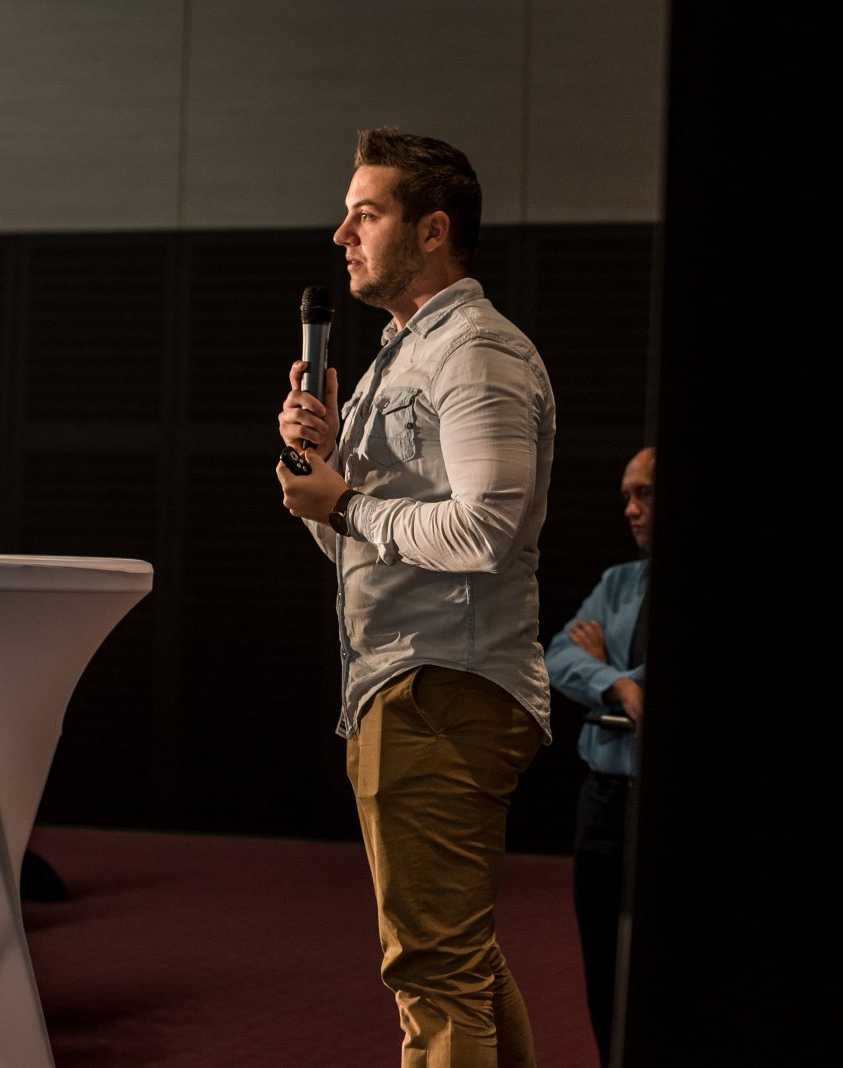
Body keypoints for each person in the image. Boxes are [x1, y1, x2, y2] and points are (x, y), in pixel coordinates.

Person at [277, 127, 556, 1067]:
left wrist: (347, 501)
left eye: (366, 214)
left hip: (445, 687)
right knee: (457, 961)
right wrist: (321, 476)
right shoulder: (403, 356)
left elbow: (486, 533)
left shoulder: (475, 352)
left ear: (432, 230)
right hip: (406, 685)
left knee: (435, 974)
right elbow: (353, 545)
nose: (341, 235)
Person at [542, 445, 655, 1067]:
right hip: (605, 801)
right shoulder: (618, 582)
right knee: (602, 959)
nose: (630, 510)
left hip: (656, 802)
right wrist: (616, 683)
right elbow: (558, 655)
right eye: (626, 497)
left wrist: (611, 668)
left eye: (645, 494)